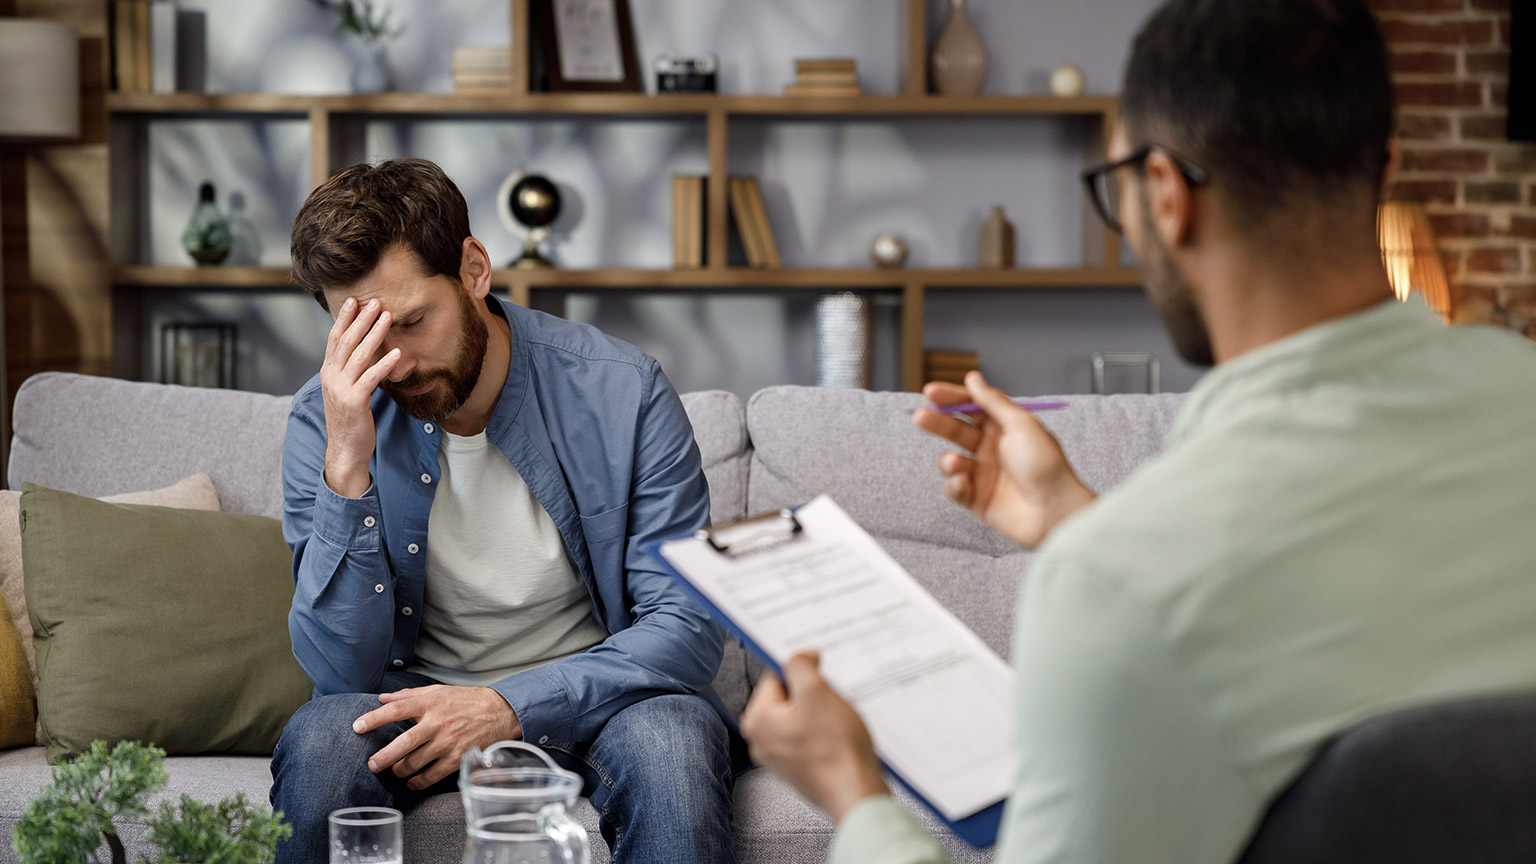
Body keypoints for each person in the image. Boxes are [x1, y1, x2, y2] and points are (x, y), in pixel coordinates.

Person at [738, 1, 1536, 863]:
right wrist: (1077, 518)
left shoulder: (1119, 587)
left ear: (1165, 194)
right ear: (1385, 169)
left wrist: (851, 794)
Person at [268, 158, 741, 864]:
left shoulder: (623, 391)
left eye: (412, 322)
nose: (393, 363)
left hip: (606, 699)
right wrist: (347, 468)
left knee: (674, 740)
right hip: (415, 706)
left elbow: (688, 626)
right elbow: (340, 674)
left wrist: (506, 705)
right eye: (364, 336)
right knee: (323, 739)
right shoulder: (327, 420)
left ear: (474, 270)